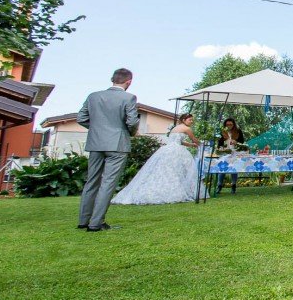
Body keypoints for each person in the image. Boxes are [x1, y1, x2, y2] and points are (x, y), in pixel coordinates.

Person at [76, 68, 141, 231]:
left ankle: (83, 220)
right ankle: (96, 223)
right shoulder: (129, 98)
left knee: (91, 181)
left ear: (113, 79)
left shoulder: (93, 96)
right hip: (117, 144)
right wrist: (130, 133)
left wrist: (98, 129)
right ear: (129, 81)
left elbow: (81, 118)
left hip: (96, 143)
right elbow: (132, 122)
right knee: (108, 183)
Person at [112, 113, 200, 205]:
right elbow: (194, 139)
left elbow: (177, 141)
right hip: (177, 151)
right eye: (190, 120)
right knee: (178, 171)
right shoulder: (187, 129)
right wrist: (200, 144)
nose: (191, 121)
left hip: (167, 150)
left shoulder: (175, 128)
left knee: (166, 171)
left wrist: (190, 145)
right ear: (184, 120)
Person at [216, 119, 246, 194]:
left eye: (231, 125)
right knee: (222, 168)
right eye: (227, 125)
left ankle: (233, 186)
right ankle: (219, 185)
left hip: (235, 152)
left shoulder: (238, 131)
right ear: (225, 125)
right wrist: (221, 147)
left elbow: (242, 141)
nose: (229, 126)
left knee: (234, 169)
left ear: (234, 125)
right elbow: (219, 143)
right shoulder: (222, 131)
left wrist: (236, 142)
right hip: (225, 152)